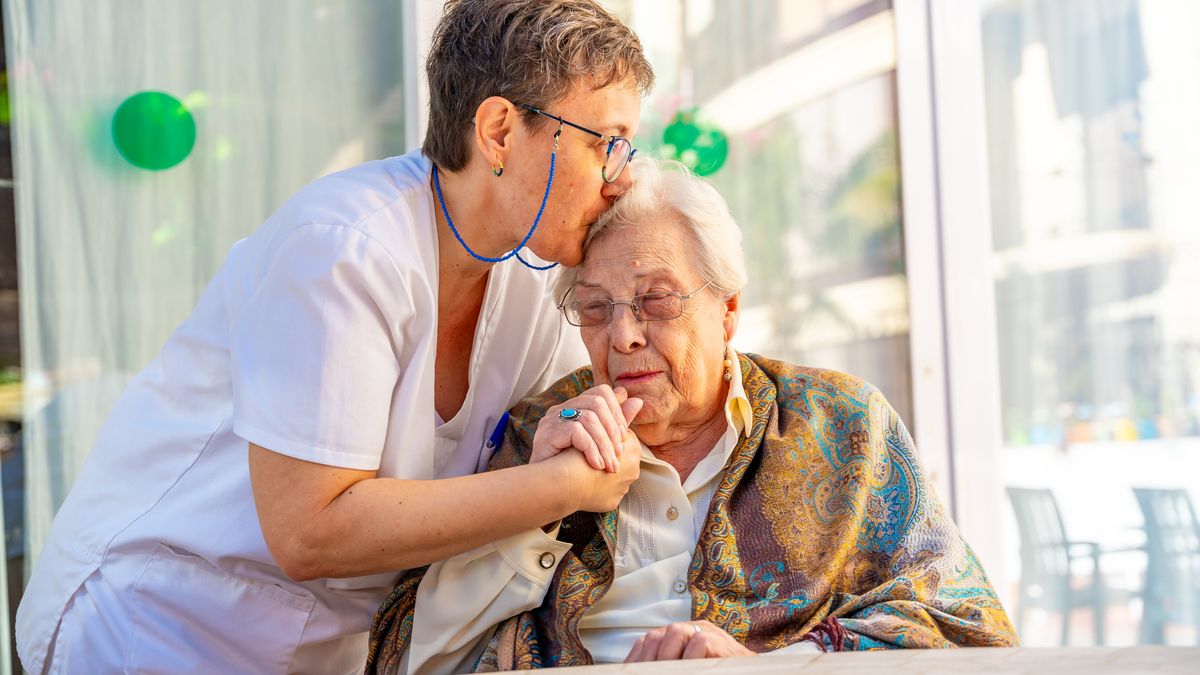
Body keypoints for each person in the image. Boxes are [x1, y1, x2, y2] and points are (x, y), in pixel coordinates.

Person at [16, 1, 654, 672]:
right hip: (159, 619)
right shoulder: (343, 248)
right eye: (605, 142)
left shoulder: (528, 276)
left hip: (326, 648)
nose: (624, 177)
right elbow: (310, 530)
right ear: (499, 130)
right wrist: (559, 485)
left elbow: (559, 426)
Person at [367, 161, 1019, 673]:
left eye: (655, 300)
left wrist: (764, 668)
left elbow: (969, 630)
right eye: (595, 309)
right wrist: (536, 506)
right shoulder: (540, 431)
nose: (621, 335)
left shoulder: (845, 425)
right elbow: (408, 655)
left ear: (728, 308)